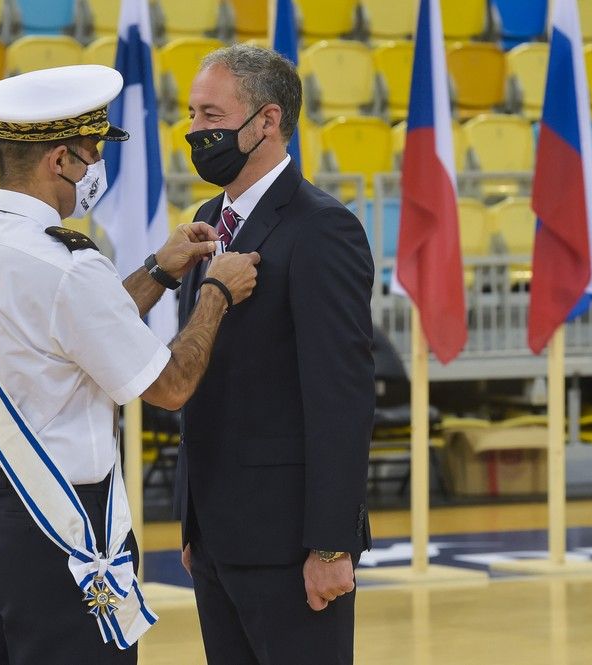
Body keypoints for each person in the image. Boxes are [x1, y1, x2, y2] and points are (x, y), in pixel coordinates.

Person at [0, 64, 259, 665]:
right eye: (91, 153)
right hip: (58, 525)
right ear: (60, 160)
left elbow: (69, 332)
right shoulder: (69, 266)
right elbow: (170, 385)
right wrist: (216, 291)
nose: (96, 170)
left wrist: (159, 272)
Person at [175, 45, 375, 664]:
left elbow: (340, 395)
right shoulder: (206, 224)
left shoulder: (322, 227)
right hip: (214, 536)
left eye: (212, 115)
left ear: (266, 121)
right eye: (191, 114)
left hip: (291, 545)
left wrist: (332, 546)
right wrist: (190, 521)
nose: (196, 131)